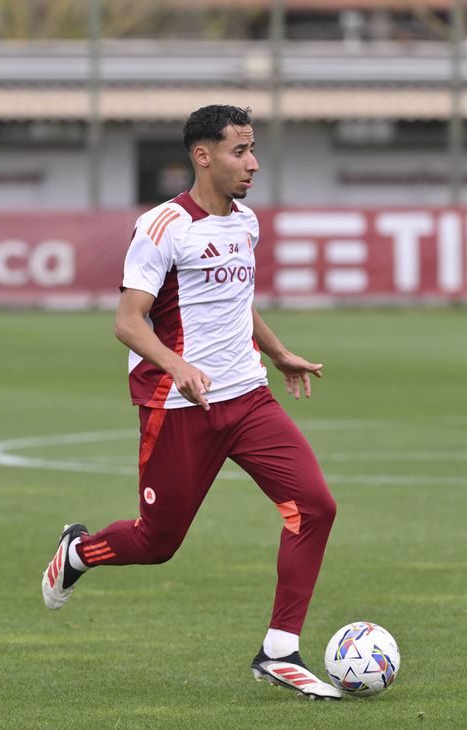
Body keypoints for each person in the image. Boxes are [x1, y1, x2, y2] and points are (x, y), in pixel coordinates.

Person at [40, 104, 342, 699]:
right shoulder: (162, 226)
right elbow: (129, 322)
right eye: (239, 151)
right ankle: (78, 552)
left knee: (315, 507)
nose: (252, 164)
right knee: (157, 543)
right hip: (180, 407)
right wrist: (177, 366)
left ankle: (279, 651)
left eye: (254, 150)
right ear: (202, 156)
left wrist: (278, 353)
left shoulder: (246, 223)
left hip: (249, 400)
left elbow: (237, 301)